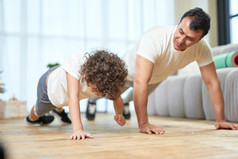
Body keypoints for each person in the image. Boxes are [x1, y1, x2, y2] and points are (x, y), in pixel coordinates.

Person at [87, 7, 238, 134]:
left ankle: (126, 102)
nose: (181, 40)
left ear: (199, 39)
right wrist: (144, 123)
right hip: (127, 73)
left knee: (132, 97)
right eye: (180, 32)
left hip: (155, 77)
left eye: (190, 39)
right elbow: (140, 81)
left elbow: (212, 83)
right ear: (179, 22)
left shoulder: (202, 49)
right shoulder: (155, 37)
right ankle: (92, 101)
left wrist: (221, 120)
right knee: (109, 95)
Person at [25, 50, 128, 140]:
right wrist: (78, 130)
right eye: (96, 90)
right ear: (87, 74)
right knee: (38, 112)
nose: (100, 94)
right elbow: (73, 97)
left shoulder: (107, 80)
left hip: (63, 96)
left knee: (61, 102)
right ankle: (31, 118)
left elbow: (117, 97)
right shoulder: (76, 60)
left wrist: (119, 114)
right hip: (49, 88)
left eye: (103, 92)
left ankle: (58, 110)